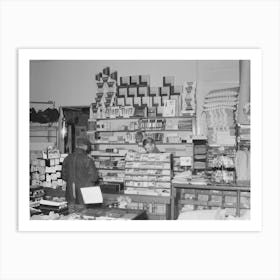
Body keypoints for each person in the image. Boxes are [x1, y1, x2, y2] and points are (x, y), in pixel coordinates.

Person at [62, 138, 98, 206]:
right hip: (84, 194)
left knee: (71, 214)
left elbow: (64, 176)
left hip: (70, 193)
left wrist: (72, 181)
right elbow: (94, 177)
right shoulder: (88, 160)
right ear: (85, 146)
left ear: (76, 146)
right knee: (84, 214)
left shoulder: (67, 158)